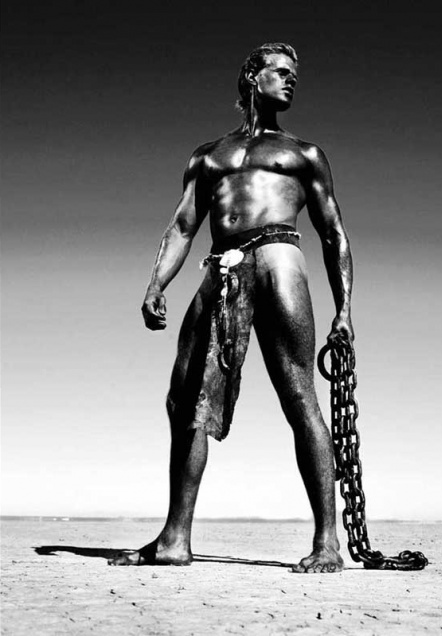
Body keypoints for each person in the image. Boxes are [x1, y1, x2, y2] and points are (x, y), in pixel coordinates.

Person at [109, 43, 354, 573]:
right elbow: (182, 227)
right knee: (184, 400)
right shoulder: (208, 156)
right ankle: (175, 539)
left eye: (294, 74)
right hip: (220, 267)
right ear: (252, 77)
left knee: (299, 396)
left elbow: (333, 233)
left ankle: (327, 542)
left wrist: (344, 311)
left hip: (279, 258)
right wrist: (156, 284)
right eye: (280, 72)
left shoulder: (304, 154)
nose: (290, 80)